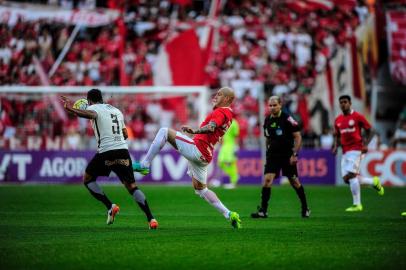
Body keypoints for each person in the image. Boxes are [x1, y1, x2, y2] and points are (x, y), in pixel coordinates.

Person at [133, 87, 242, 229]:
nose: (215, 96)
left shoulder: (221, 111)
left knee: (164, 131)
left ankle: (145, 165)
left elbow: (211, 127)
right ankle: (229, 214)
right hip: (205, 155)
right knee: (202, 190)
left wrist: (195, 131)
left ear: (227, 99)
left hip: (198, 149)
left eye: (219, 94)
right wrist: (194, 135)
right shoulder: (229, 115)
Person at [60, 89, 158, 229]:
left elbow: (90, 114)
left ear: (89, 101)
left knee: (87, 179)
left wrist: (71, 108)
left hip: (106, 152)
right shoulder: (117, 111)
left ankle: (110, 206)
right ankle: (151, 219)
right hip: (123, 152)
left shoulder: (93, 108)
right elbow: (125, 134)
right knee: (132, 186)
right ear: (101, 98)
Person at [251, 96, 310, 219]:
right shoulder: (267, 120)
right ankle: (263, 211)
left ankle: (305, 208)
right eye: (270, 105)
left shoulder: (288, 119)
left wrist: (295, 154)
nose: (272, 107)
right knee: (267, 180)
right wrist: (267, 152)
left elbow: (298, 137)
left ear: (280, 105)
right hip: (273, 155)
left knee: (294, 181)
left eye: (274, 105)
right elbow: (268, 138)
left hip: (287, 155)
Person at [332, 95, 384, 212]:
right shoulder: (338, 120)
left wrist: (366, 144)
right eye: (341, 102)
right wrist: (335, 146)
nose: (343, 104)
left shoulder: (357, 116)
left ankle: (357, 205)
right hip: (345, 151)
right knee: (347, 179)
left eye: (345, 102)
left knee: (350, 176)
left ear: (350, 103)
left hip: (357, 149)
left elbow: (371, 130)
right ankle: (373, 182)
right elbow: (337, 135)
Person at [217, 118, 240, 189]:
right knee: (220, 163)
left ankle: (234, 182)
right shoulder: (222, 122)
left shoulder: (234, 123)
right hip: (224, 146)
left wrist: (236, 147)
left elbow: (236, 136)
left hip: (231, 145)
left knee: (231, 164)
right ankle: (235, 176)